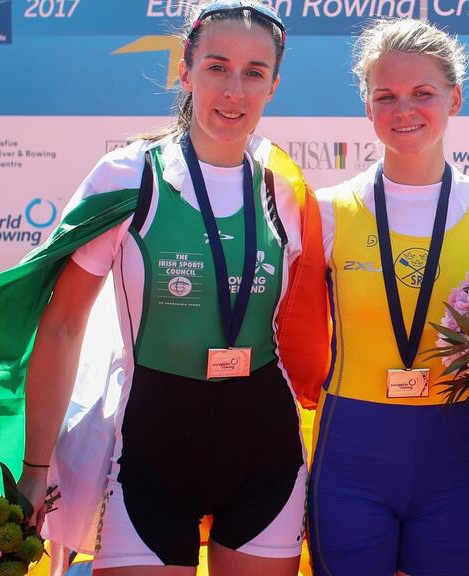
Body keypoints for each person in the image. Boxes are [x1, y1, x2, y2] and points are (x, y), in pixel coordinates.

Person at [16, 1, 328, 574]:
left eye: (254, 73)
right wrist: (37, 470)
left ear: (273, 86)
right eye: (217, 66)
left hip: (265, 449)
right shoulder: (125, 176)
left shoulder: (289, 189)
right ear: (184, 72)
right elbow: (61, 326)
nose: (234, 89)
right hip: (151, 450)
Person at [307, 18, 469, 576]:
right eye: (386, 96)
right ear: (367, 105)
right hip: (349, 456)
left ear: (455, 98)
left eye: (423, 93)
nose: (405, 109)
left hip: (449, 461)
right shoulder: (327, 212)